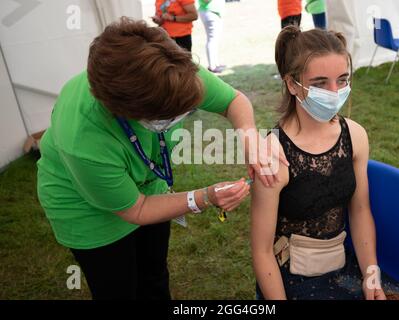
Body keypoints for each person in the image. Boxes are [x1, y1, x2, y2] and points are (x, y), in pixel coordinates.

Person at [37, 18, 287, 300]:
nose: (182, 116)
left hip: (149, 185)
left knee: (154, 276)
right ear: (128, 111)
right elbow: (137, 210)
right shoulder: (84, 139)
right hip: (88, 213)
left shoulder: (168, 72)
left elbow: (233, 101)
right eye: (170, 116)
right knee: (118, 290)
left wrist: (250, 139)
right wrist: (203, 197)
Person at [250, 26, 399, 300]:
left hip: (342, 264)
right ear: (292, 84)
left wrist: (371, 275)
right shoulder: (273, 153)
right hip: (290, 276)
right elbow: (262, 251)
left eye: (342, 79)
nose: (334, 92)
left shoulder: (355, 135)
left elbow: (360, 211)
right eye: (320, 83)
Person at [198, 0, 226, 73]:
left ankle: (216, 63)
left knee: (215, 39)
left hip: (213, 12)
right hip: (209, 11)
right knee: (212, 39)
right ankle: (212, 66)